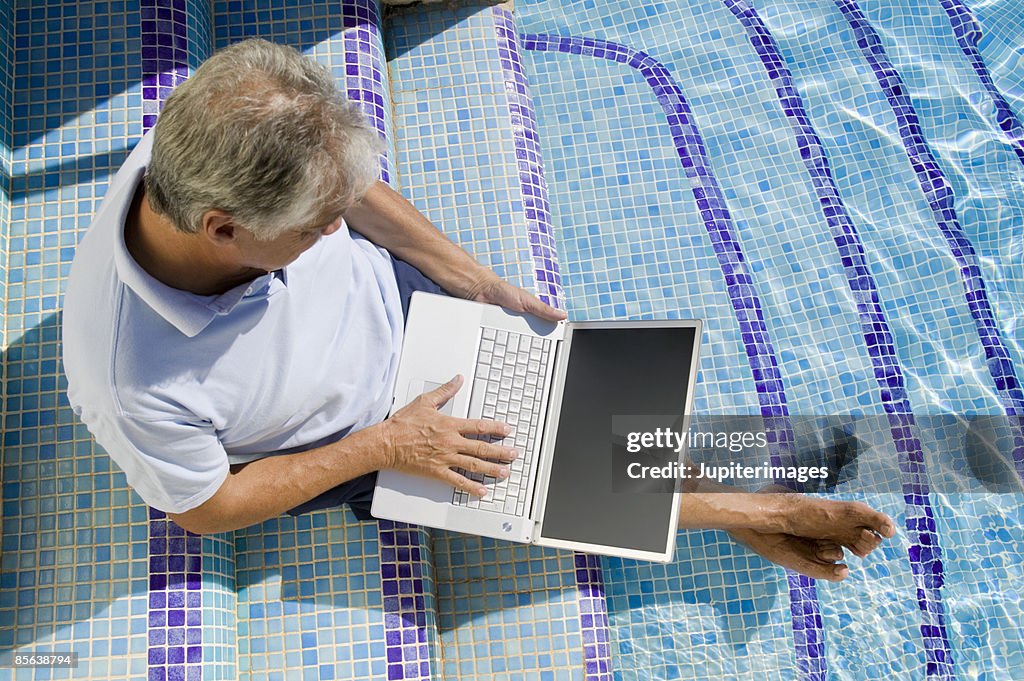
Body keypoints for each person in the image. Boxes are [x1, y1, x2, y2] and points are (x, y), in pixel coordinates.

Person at [62, 38, 894, 583]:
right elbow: (206, 508)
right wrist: (384, 444)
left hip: (395, 309)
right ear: (224, 229)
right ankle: (747, 513)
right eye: (318, 226)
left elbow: (351, 194)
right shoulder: (134, 380)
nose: (335, 225)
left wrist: (471, 277)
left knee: (574, 394)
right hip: (354, 431)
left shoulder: (195, 143)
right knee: (529, 471)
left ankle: (728, 506)